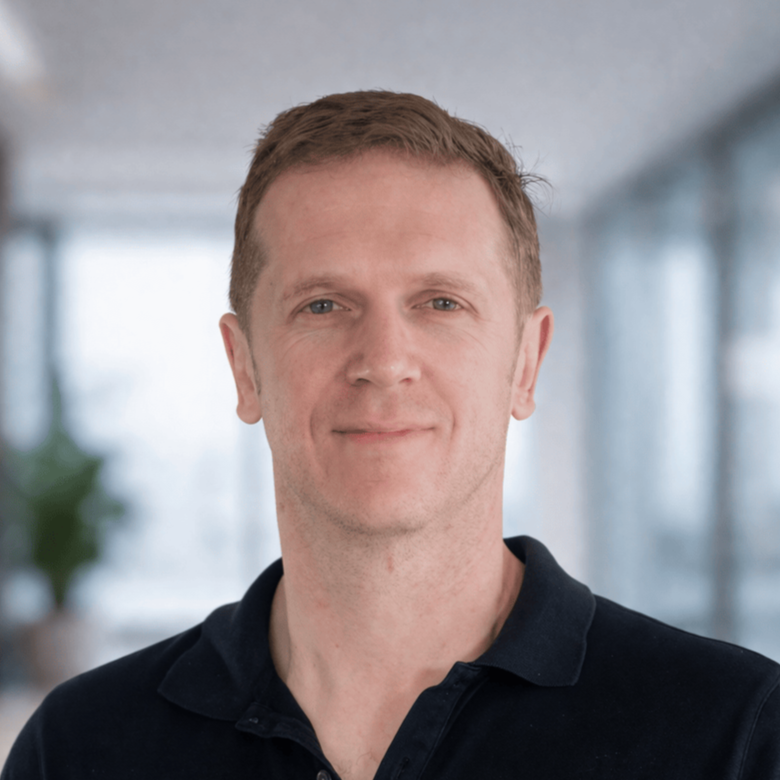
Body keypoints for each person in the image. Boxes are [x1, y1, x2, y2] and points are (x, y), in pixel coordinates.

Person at [3, 90, 779, 780]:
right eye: (322, 306)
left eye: (440, 303)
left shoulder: (737, 733)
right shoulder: (78, 747)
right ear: (245, 369)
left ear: (525, 363)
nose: (382, 361)